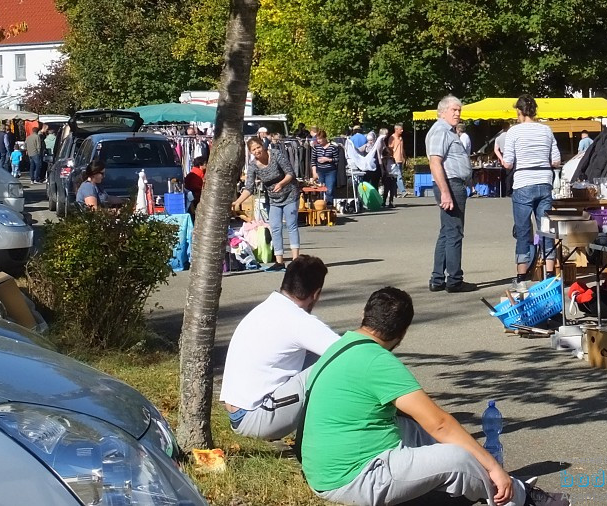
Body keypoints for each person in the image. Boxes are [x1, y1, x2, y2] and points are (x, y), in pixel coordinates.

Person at [300, 287, 570, 506]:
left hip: (326, 466)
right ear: (403, 332)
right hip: (352, 478)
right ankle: (518, 499)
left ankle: (509, 484)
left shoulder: (341, 346)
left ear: (365, 314)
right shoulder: (378, 361)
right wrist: (493, 466)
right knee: (458, 460)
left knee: (413, 429)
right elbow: (439, 423)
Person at [220, 255, 339, 440]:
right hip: (256, 418)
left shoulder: (268, 308)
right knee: (333, 364)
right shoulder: (299, 320)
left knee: (317, 359)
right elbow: (348, 353)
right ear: (316, 294)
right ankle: (329, 437)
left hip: (240, 412)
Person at [501, 95, 561, 292]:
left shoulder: (513, 132)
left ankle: (521, 276)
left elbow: (509, 163)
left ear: (519, 112)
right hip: (544, 181)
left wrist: (500, 156)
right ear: (534, 112)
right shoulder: (546, 130)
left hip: (523, 182)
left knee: (523, 231)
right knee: (546, 229)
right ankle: (550, 274)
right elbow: (556, 161)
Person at [427, 95, 474, 293]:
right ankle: (454, 280)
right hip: (450, 185)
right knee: (454, 232)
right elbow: (435, 162)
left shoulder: (447, 131)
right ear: (443, 111)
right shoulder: (441, 131)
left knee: (446, 232)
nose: (458, 113)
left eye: (459, 110)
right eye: (454, 110)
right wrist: (446, 192)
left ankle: (438, 279)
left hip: (452, 184)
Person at [232, 136, 299, 271]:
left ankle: (296, 260)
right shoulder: (253, 166)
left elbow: (290, 173)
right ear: (250, 152)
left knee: (291, 226)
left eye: (258, 147)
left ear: (263, 145)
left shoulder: (276, 154)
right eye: (253, 150)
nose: (257, 151)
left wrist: (281, 183)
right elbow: (249, 188)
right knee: (275, 227)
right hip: (273, 199)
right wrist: (237, 202)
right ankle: (279, 262)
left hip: (290, 193)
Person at [311, 129, 341, 204]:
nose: (318, 141)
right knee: (320, 190)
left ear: (325, 138)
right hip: (320, 171)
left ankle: (329, 205)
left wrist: (328, 159)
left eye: (320, 139)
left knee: (329, 190)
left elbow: (337, 159)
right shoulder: (316, 147)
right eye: (317, 139)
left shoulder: (333, 147)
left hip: (330, 171)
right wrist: (314, 173)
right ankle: (320, 205)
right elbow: (313, 161)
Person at [494, 123, 513, 197]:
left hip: (502, 155)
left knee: (503, 175)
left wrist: (501, 159)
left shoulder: (498, 137)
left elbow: (496, 150)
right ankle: (509, 192)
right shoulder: (510, 136)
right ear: (508, 127)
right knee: (510, 176)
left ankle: (502, 192)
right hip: (510, 155)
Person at [389, 123, 407, 197]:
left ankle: (394, 193)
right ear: (396, 129)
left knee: (397, 177)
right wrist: (390, 159)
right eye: (400, 129)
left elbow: (402, 149)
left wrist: (405, 157)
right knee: (398, 176)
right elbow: (389, 149)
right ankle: (403, 191)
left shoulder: (400, 138)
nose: (402, 130)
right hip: (394, 160)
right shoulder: (392, 138)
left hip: (400, 160)